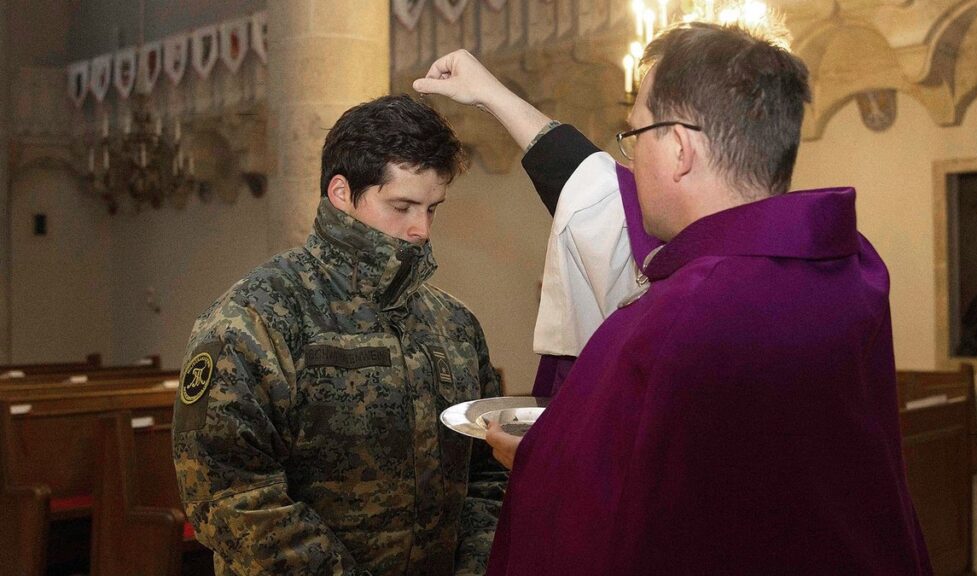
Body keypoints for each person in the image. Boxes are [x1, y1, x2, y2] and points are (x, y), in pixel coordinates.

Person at [415, 23, 933, 575]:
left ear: (680, 150)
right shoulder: (849, 266)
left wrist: (536, 459)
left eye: (636, 135)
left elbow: (615, 516)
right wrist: (495, 95)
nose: (630, 163)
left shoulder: (678, 320)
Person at [172, 94, 507, 576]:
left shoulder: (454, 324)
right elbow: (230, 495)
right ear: (341, 193)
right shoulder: (254, 317)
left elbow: (487, 474)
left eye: (432, 208)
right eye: (402, 206)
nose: (420, 229)